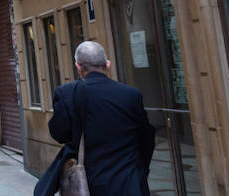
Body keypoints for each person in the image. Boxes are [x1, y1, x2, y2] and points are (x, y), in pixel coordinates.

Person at [46, 40, 155, 195]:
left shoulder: (67, 93)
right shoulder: (131, 95)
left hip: (89, 184)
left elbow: (59, 134)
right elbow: (146, 138)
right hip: (129, 183)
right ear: (107, 65)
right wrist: (141, 170)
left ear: (78, 67)